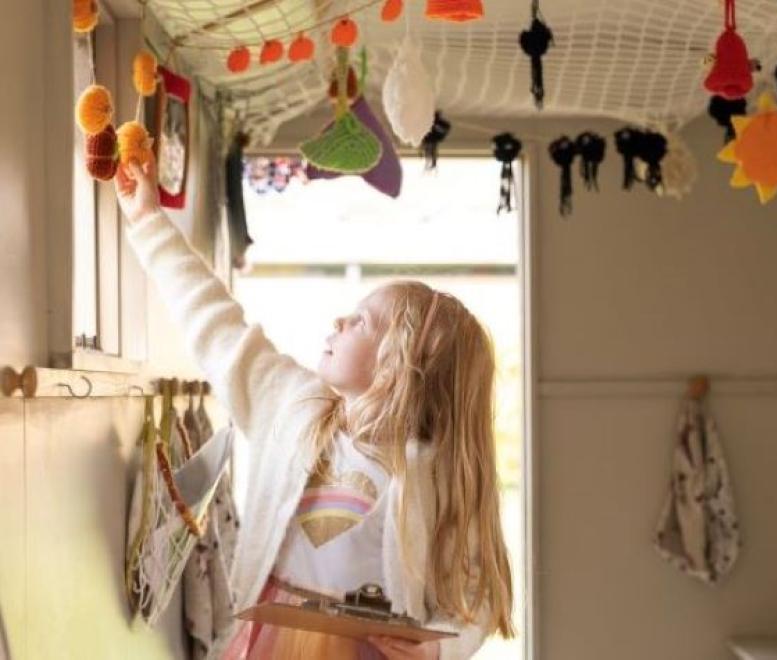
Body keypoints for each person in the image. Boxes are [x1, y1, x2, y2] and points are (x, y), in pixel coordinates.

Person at [114, 158, 514, 659]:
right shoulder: (294, 409)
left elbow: (476, 591)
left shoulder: (437, 476)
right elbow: (217, 326)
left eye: (362, 322)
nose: (340, 320)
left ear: (400, 363)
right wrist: (149, 220)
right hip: (266, 642)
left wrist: (440, 650)